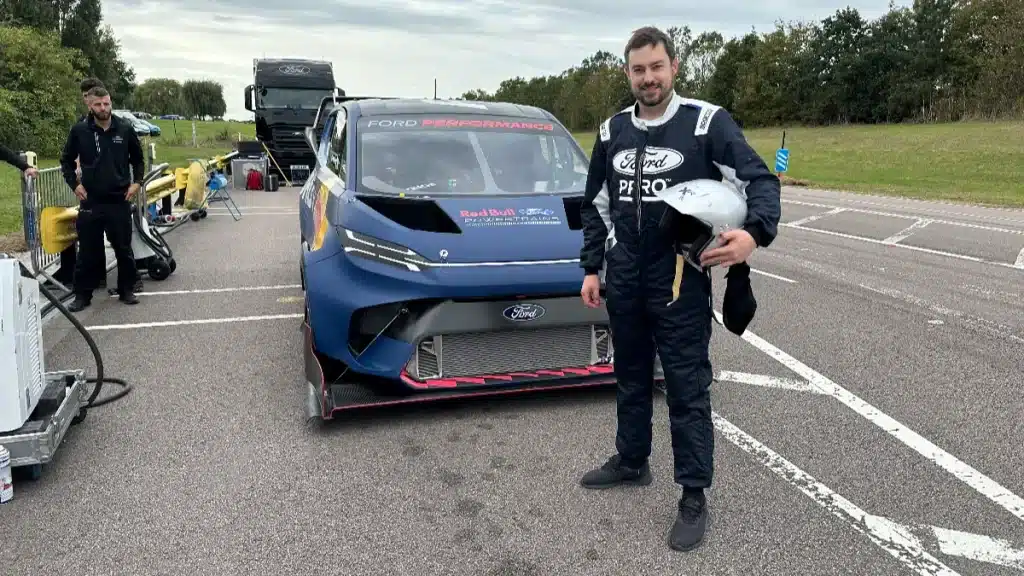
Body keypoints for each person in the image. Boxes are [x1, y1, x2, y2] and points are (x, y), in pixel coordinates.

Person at [577, 26, 782, 552]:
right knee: (630, 374)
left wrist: (752, 235)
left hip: (678, 282)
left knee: (687, 389)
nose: (648, 78)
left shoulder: (706, 123)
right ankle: (631, 459)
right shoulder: (610, 131)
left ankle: (693, 495)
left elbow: (760, 180)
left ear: (673, 67)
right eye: (638, 69)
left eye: (656, 67)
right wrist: (592, 267)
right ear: (627, 73)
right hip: (624, 276)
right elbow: (596, 204)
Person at [59, 86, 144, 311]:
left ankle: (126, 290)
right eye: (98, 104)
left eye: (106, 103)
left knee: (123, 248)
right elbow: (66, 161)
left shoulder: (125, 128)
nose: (103, 108)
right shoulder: (79, 130)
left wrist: (137, 183)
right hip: (91, 201)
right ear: (90, 105)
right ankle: (82, 296)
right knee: (87, 252)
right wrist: (74, 185)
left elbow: (138, 160)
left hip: (118, 199)